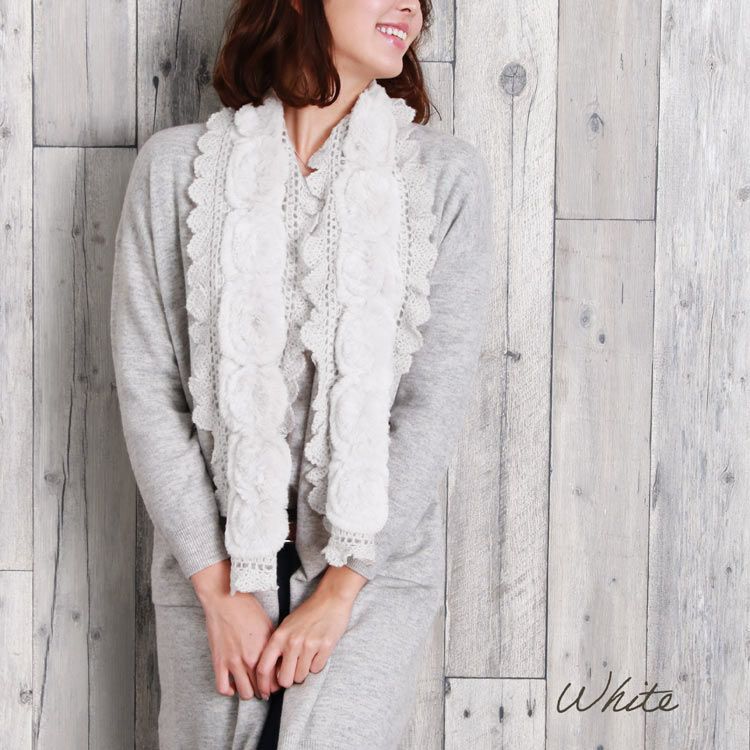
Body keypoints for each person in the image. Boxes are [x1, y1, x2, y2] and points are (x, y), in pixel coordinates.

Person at [109, 0, 495, 747]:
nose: (410, 6)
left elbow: (432, 403)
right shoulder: (175, 171)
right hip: (213, 581)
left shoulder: (444, 181)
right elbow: (149, 390)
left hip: (368, 585)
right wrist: (218, 590)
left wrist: (341, 590)